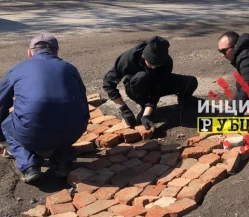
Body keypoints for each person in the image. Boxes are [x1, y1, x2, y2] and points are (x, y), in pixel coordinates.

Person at [0, 34, 90, 183]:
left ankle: (29, 165)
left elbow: (1, 102)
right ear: (56, 51)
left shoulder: (17, 69)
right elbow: (82, 100)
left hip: (33, 133)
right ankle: (63, 160)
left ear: (29, 52)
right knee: (65, 115)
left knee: (6, 124)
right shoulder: (69, 68)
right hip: (74, 129)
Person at [103, 36, 198, 130]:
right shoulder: (129, 58)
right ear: (145, 56)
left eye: (158, 64)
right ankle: (143, 104)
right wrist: (124, 109)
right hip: (136, 86)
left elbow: (157, 88)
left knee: (190, 82)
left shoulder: (167, 62)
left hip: (156, 82)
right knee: (142, 76)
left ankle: (183, 102)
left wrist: (146, 115)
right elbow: (108, 83)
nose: (154, 67)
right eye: (151, 63)